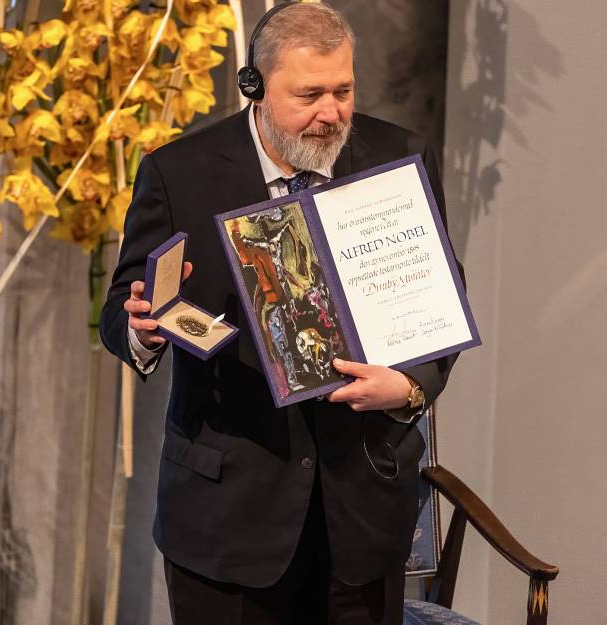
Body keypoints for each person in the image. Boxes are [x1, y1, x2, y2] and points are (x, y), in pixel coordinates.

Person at [99, 3, 461, 624]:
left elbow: (439, 295)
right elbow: (121, 308)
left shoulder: (399, 154)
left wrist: (408, 386)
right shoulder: (178, 171)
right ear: (256, 88)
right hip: (224, 517)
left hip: (363, 511)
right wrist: (140, 326)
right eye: (310, 94)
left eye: (343, 90)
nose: (332, 112)